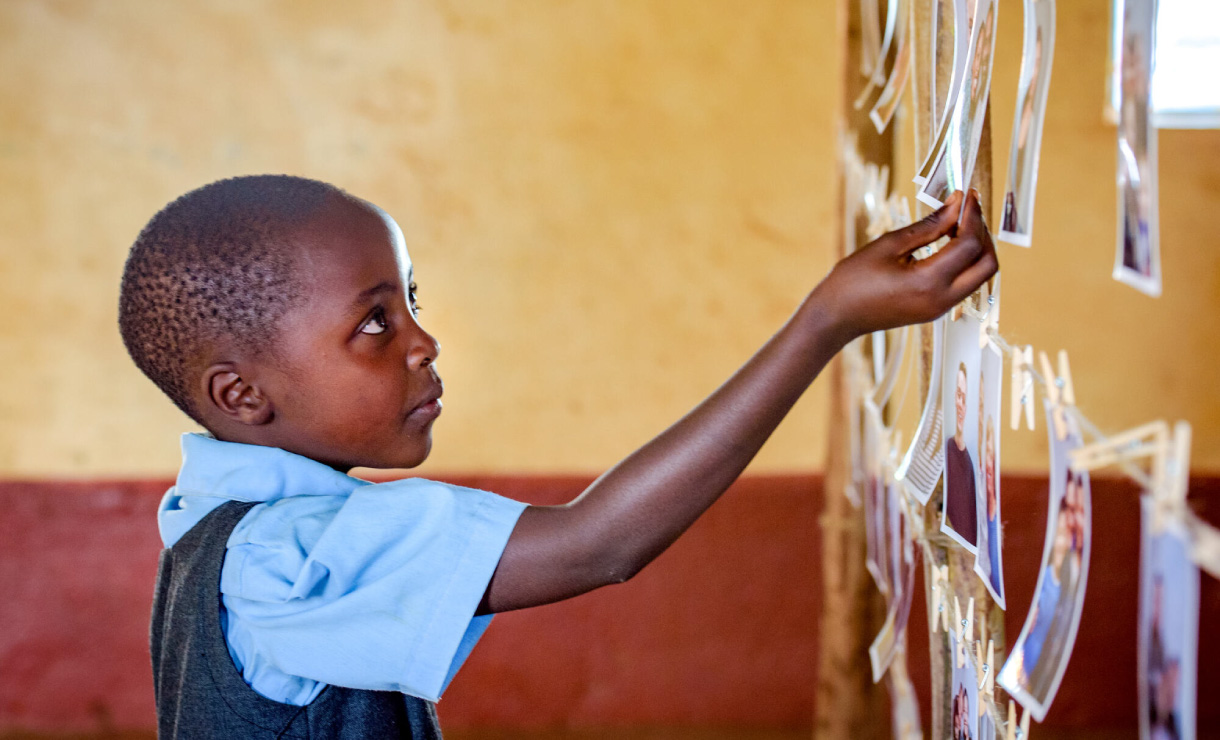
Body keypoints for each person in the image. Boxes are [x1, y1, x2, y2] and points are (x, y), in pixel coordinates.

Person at [120, 176, 996, 738]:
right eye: (375, 322)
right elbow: (598, 543)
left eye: (412, 301)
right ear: (241, 395)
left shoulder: (210, 527)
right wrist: (823, 324)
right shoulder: (291, 554)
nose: (424, 343)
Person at [944, 361, 978, 547]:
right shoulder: (947, 448)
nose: (960, 404)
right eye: (958, 395)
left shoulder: (972, 463)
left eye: (964, 398)